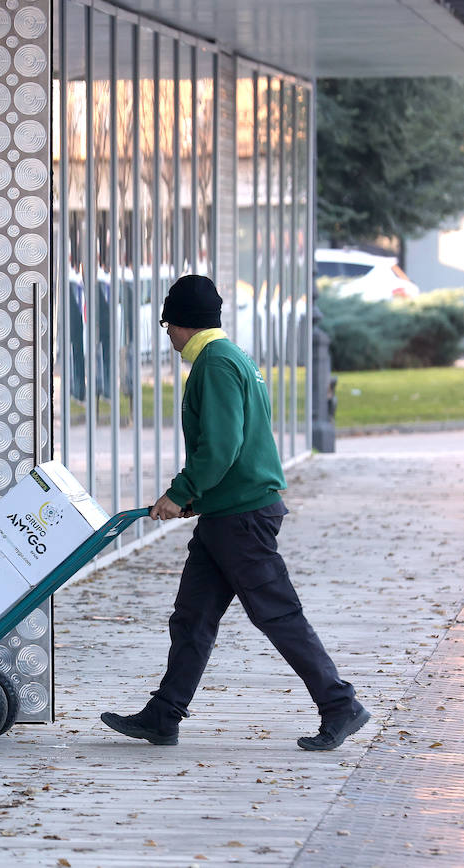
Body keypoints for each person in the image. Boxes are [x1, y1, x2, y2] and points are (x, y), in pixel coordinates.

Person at [101, 274, 368, 751]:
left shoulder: (216, 364)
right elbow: (231, 446)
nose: (167, 336)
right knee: (192, 617)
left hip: (242, 517)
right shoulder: (231, 356)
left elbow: (222, 446)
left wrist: (181, 491)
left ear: (180, 324)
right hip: (226, 514)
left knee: (277, 614)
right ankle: (164, 715)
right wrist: (198, 500)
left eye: (167, 326)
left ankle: (339, 703)